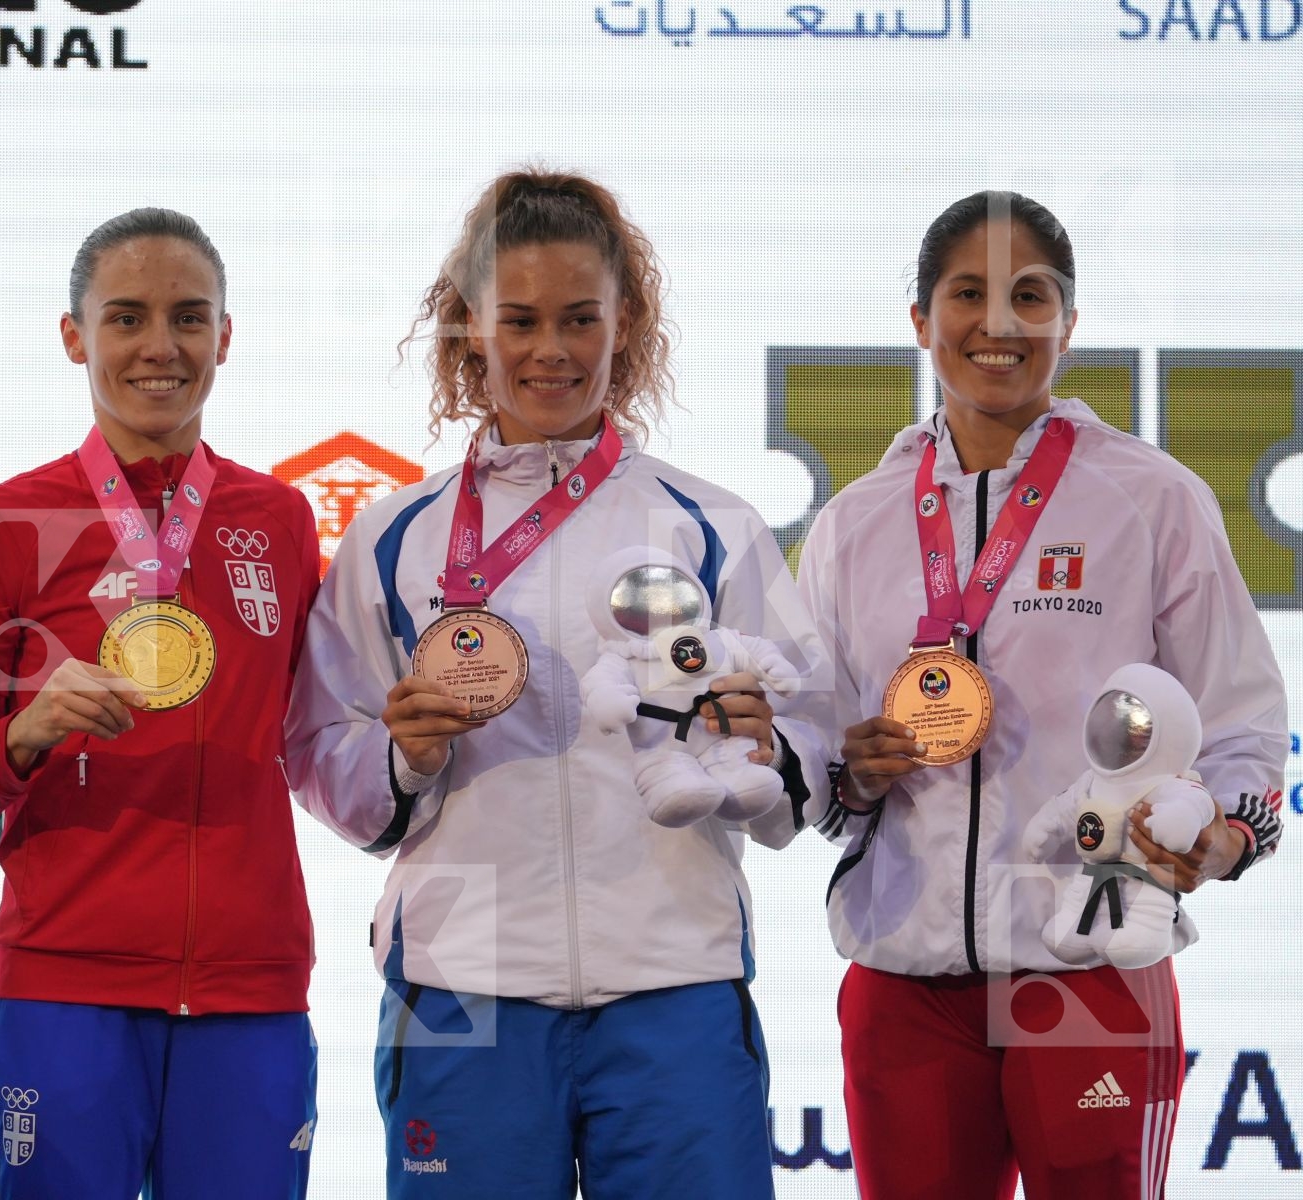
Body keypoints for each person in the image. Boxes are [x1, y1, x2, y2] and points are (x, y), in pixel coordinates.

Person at [284, 169, 827, 1200]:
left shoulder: (710, 524)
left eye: (581, 318)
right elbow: (319, 752)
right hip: (462, 982)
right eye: (520, 320)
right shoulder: (395, 538)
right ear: (469, 328)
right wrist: (403, 756)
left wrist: (765, 745)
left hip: (673, 974)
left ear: (627, 324)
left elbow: (812, 744)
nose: (553, 350)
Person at [798, 189, 1287, 1199]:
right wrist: (851, 773)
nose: (1000, 323)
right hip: (907, 983)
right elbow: (808, 758)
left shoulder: (1152, 500)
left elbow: (1243, 722)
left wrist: (1226, 838)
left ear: (1069, 322)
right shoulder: (854, 523)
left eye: (1031, 295)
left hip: (1092, 970)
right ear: (921, 319)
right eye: (967, 294)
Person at [0, 208, 321, 1199]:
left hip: (251, 987)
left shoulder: (280, 519)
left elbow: (318, 736)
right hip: (65, 985)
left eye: (189, 317)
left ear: (225, 335)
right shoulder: (1, 525)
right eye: (127, 317)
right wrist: (25, 734)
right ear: (74, 337)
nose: (160, 346)